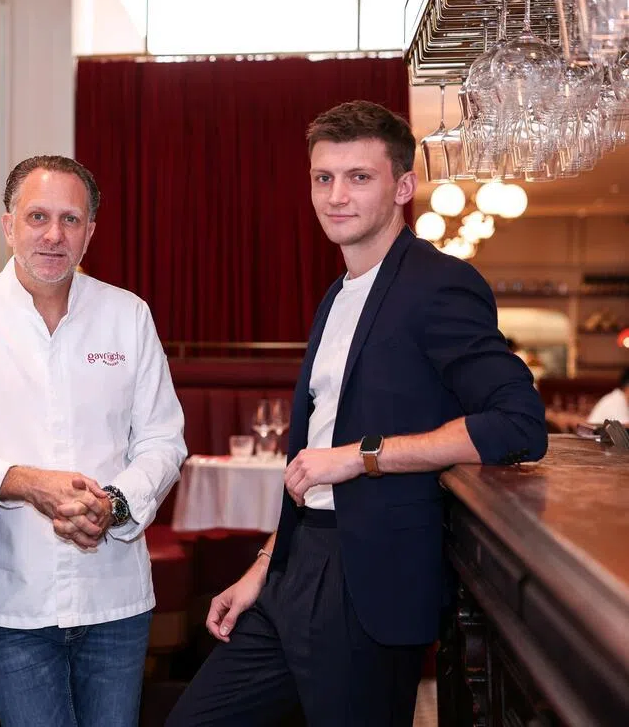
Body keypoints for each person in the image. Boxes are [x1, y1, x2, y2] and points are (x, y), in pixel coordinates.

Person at [167, 101, 547, 727]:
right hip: (298, 561)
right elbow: (316, 455)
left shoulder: (439, 284)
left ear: (403, 187)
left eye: (359, 177)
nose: (336, 196)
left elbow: (518, 423)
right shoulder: (338, 293)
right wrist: (264, 567)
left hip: (368, 580)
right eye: (323, 178)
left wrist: (363, 456)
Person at [0, 155, 186, 727]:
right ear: (9, 225)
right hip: (9, 599)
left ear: (90, 232)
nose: (54, 234)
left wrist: (113, 504)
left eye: (70, 219)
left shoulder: (128, 315)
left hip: (114, 594)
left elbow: (163, 441)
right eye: (38, 216)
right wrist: (24, 482)